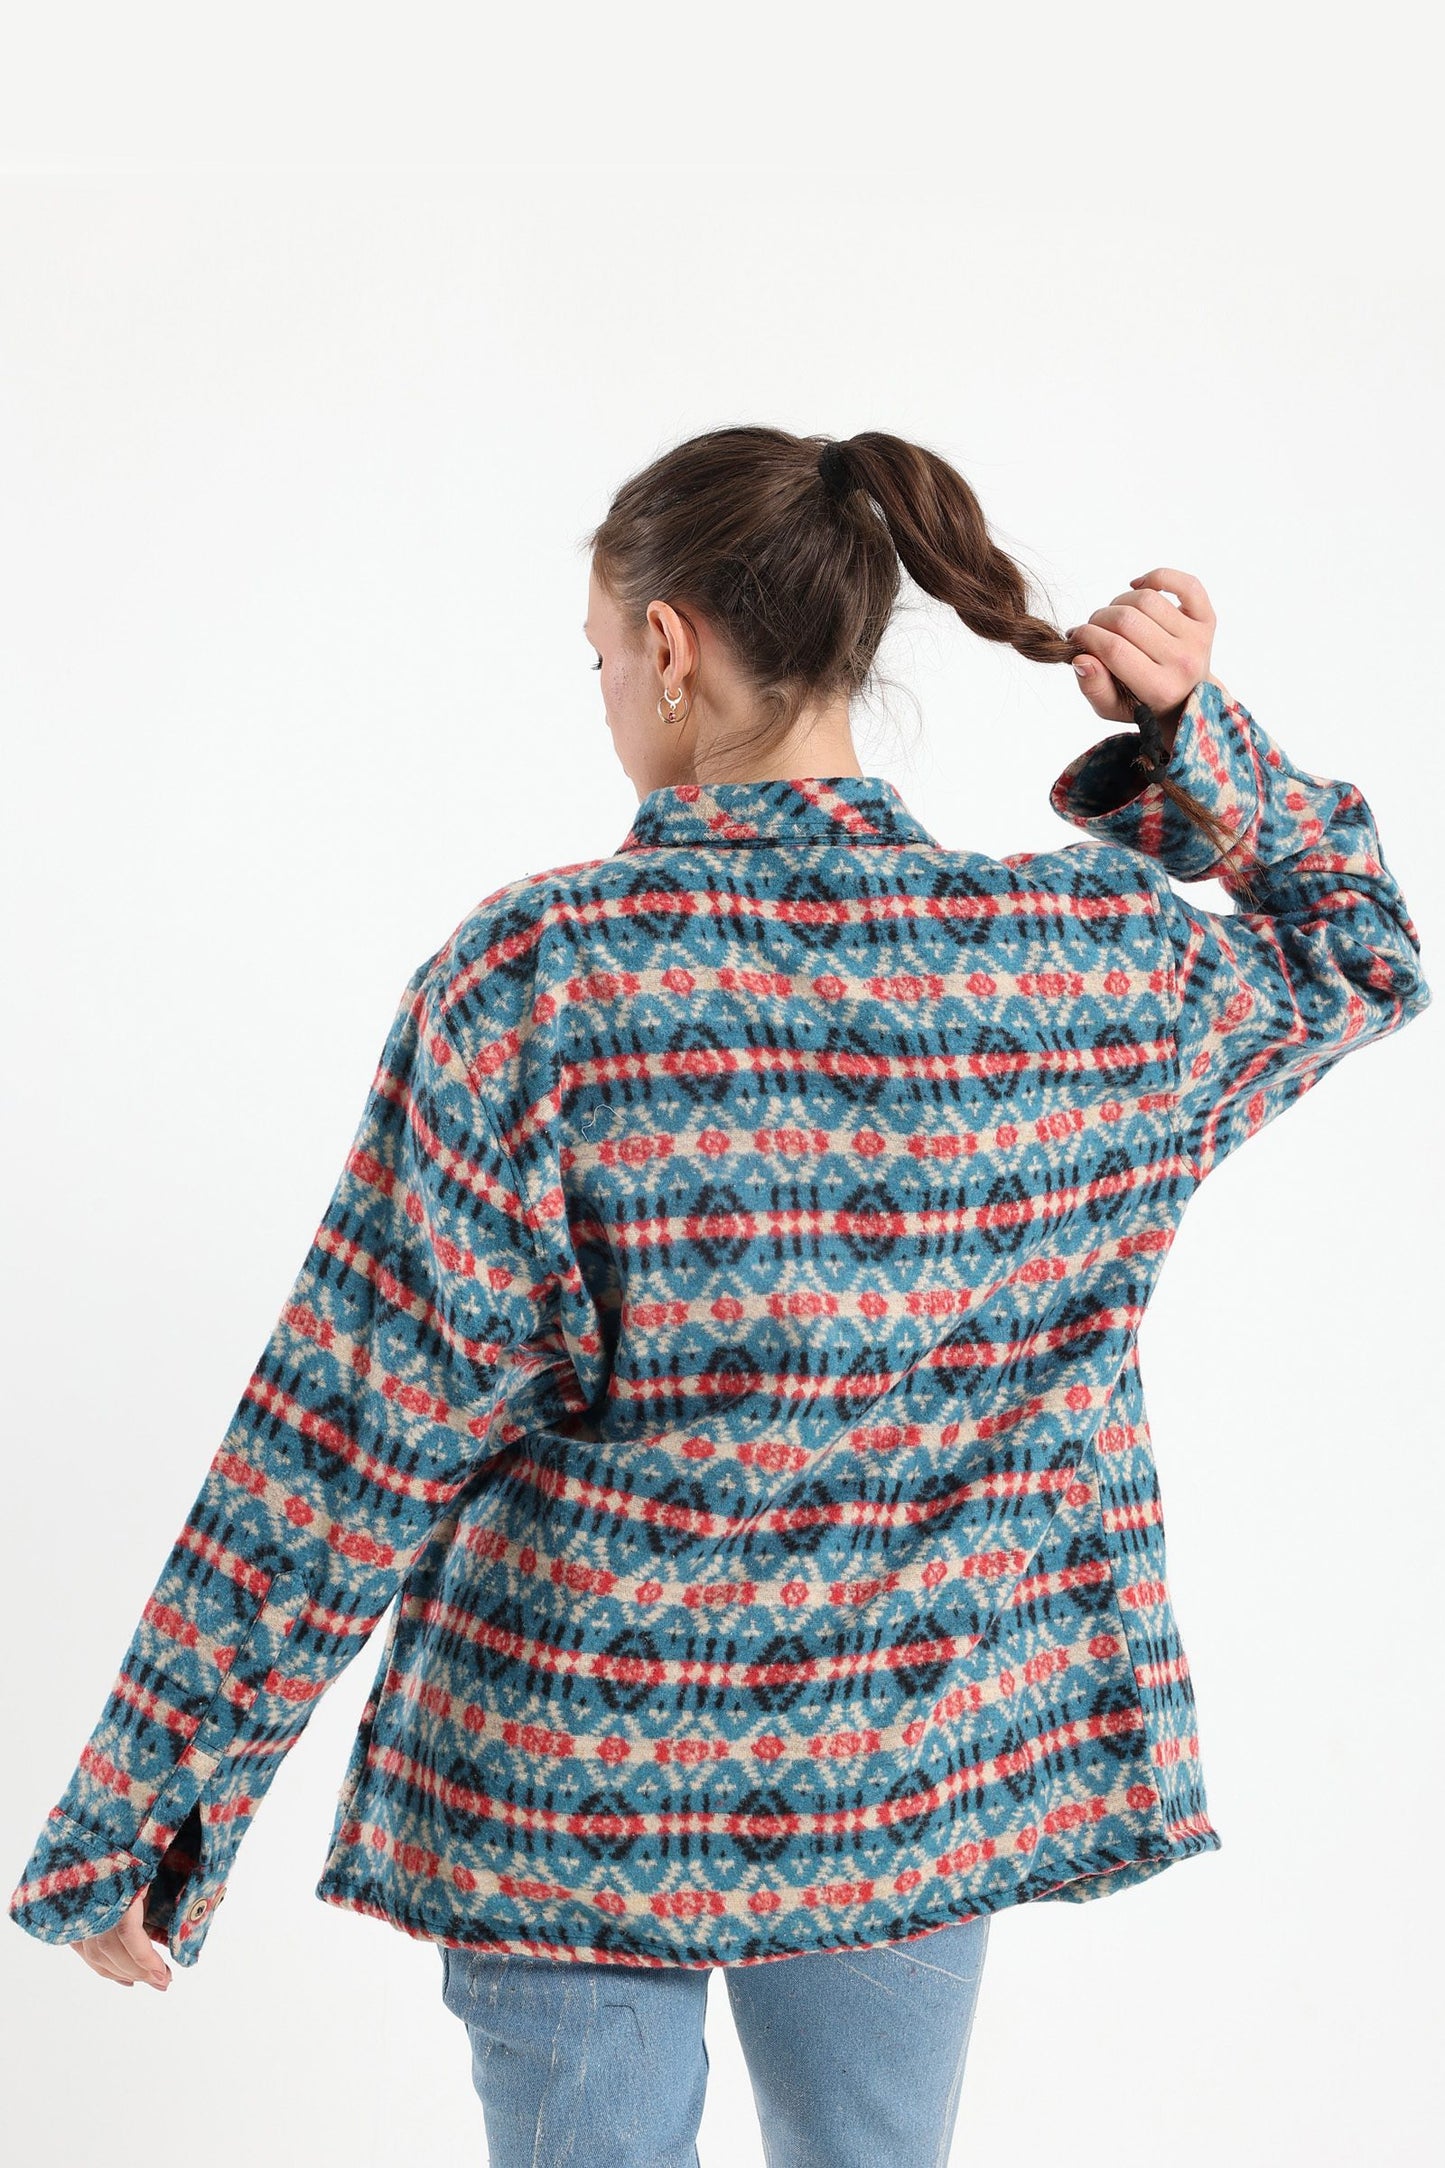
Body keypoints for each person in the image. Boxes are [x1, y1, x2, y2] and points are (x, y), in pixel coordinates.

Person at [9, 425, 1431, 2168]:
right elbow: (1357, 950)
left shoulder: (542, 983)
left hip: (569, 1783)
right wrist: (1186, 737)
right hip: (912, 1758)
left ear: (669, 646)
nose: (606, 695)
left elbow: (349, 1431)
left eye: (601, 658)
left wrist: (154, 1805)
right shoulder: (1082, 967)